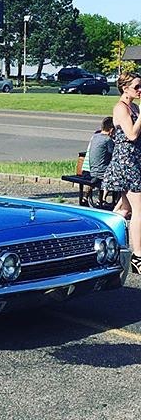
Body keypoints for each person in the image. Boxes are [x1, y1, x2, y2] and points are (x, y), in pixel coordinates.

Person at [102, 73, 141, 273]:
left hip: (135, 160)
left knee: (125, 210)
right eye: (137, 87)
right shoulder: (120, 108)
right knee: (139, 209)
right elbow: (131, 134)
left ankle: (101, 235)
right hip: (126, 163)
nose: (140, 90)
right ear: (125, 88)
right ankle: (138, 256)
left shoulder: (135, 107)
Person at [86, 116, 114, 182]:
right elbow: (114, 154)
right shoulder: (107, 139)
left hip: (92, 172)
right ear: (111, 130)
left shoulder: (95, 136)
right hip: (102, 173)